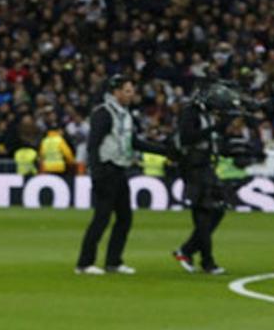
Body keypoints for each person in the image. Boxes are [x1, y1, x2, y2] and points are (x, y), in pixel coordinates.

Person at [75, 74, 165, 275]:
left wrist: (164, 150)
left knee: (125, 218)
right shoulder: (103, 113)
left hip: (119, 170)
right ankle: (84, 263)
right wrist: (96, 173)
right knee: (102, 218)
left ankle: (113, 262)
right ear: (115, 92)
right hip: (106, 170)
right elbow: (93, 145)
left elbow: (134, 142)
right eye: (127, 90)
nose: (132, 94)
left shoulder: (124, 114)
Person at [171, 83, 253, 276]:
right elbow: (186, 137)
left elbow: (211, 141)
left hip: (206, 167)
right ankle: (206, 261)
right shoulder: (190, 113)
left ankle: (188, 251)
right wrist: (215, 127)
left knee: (215, 211)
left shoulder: (205, 114)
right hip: (194, 169)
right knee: (204, 215)